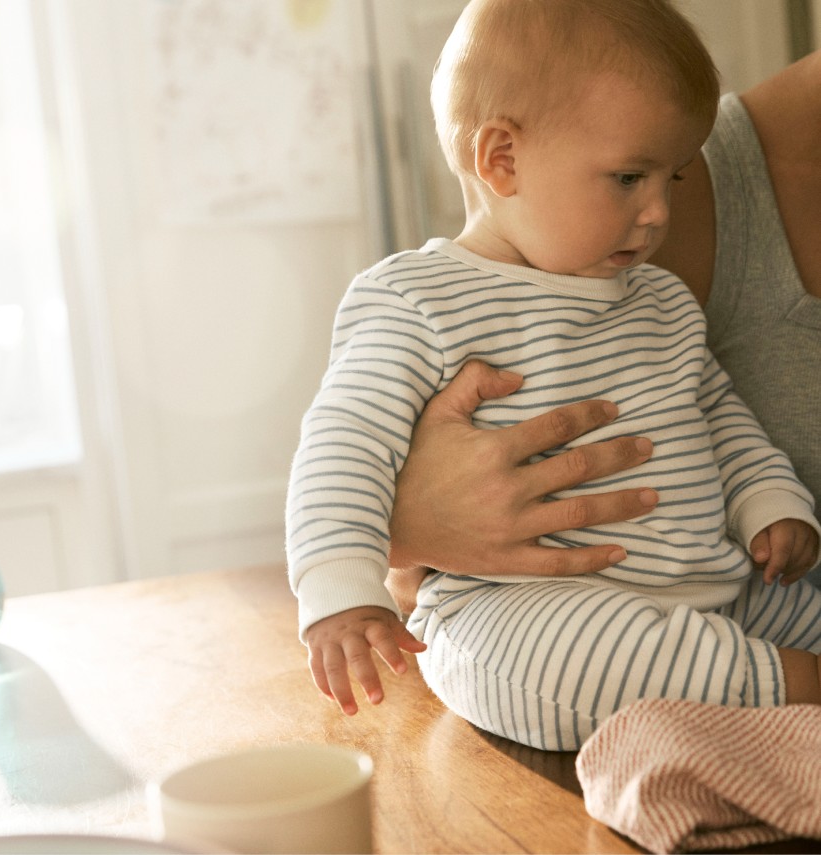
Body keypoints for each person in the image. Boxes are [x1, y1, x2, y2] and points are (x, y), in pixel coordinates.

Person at [285, 0, 821, 751]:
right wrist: (341, 593)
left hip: (718, 591)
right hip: (527, 606)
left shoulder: (657, 297)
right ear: (501, 159)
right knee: (556, 661)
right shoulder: (418, 300)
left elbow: (718, 411)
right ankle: (783, 687)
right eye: (630, 177)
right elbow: (343, 447)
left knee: (797, 601)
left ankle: (749, 674)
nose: (660, 210)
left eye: (673, 175)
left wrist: (768, 500)